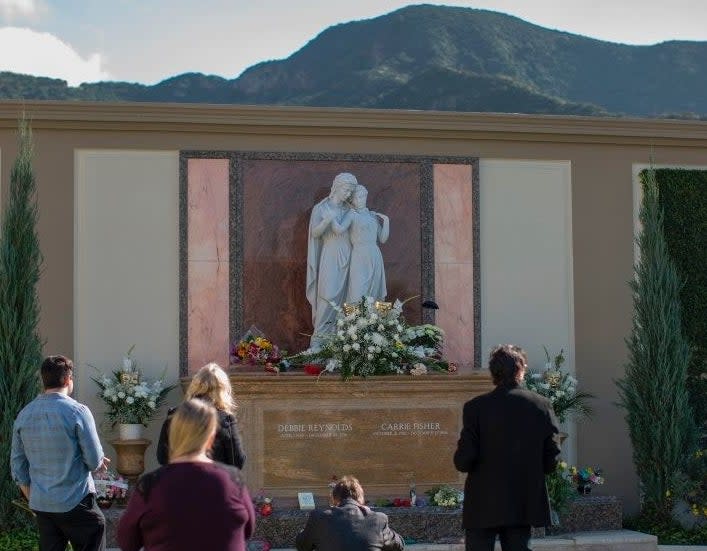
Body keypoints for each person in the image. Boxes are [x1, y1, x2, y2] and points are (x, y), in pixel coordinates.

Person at [454, 344, 561, 551]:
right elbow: (552, 459)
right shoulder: (541, 405)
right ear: (520, 370)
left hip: (482, 502)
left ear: (493, 372)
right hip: (522, 500)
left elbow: (463, 461)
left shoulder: (475, 407)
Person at [118, 398, 256, 551]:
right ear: (210, 438)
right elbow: (248, 529)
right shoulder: (233, 481)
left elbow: (127, 541)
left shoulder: (151, 485)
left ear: (173, 436)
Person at [10, 354, 110, 551]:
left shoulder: (24, 414)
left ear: (44, 380)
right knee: (96, 530)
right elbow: (93, 460)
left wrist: (34, 498)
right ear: (67, 379)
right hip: (76, 500)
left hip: (42, 505)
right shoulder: (78, 411)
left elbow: (18, 466)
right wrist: (99, 462)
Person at [157, 362, 245, 468]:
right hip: (214, 480)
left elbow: (162, 457)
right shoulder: (225, 419)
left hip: (179, 480)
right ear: (222, 390)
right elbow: (237, 461)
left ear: (195, 386)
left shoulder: (174, 414)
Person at [306, 172, 357, 349]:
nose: (349, 194)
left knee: (346, 298)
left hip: (349, 255)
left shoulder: (349, 210)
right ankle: (318, 340)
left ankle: (341, 340)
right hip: (330, 254)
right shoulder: (321, 208)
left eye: (351, 191)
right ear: (337, 187)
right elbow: (315, 234)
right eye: (346, 190)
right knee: (327, 295)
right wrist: (326, 221)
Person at [295, 475, 404, 551]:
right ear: (361, 498)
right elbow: (399, 545)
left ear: (334, 499)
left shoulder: (319, 518)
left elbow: (302, 546)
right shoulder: (378, 520)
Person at [330, 183, 389, 303]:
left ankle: (373, 320)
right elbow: (339, 230)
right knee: (358, 290)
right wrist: (331, 218)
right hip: (359, 255)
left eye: (362, 197)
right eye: (357, 197)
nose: (360, 200)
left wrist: (387, 221)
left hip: (374, 254)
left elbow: (382, 239)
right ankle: (355, 320)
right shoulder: (352, 215)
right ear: (352, 200)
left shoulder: (372, 216)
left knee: (374, 290)